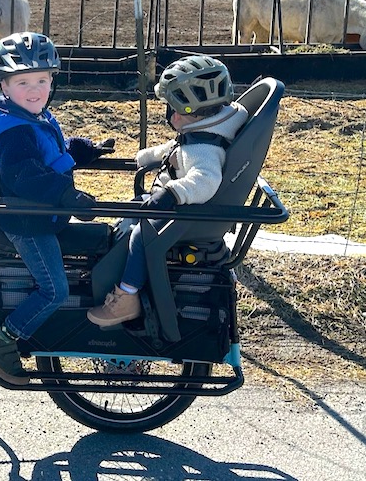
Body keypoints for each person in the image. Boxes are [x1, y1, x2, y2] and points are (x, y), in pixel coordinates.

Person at [0, 32, 113, 384]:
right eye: (23, 82)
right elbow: (27, 176)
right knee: (54, 291)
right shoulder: (13, 132)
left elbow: (52, 152)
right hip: (28, 225)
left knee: (102, 240)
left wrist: (83, 151)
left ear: (52, 80)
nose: (34, 89)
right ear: (4, 86)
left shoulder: (30, 116)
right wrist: (67, 196)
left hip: (42, 218)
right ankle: (3, 341)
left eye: (41, 79)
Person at [86, 55, 247, 327]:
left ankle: (127, 297)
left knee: (141, 235)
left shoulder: (205, 148)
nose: (170, 116)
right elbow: (177, 150)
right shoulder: (205, 129)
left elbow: (205, 180)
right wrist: (143, 158)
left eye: (175, 110)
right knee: (132, 216)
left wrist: (173, 192)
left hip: (185, 213)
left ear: (193, 111)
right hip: (181, 209)